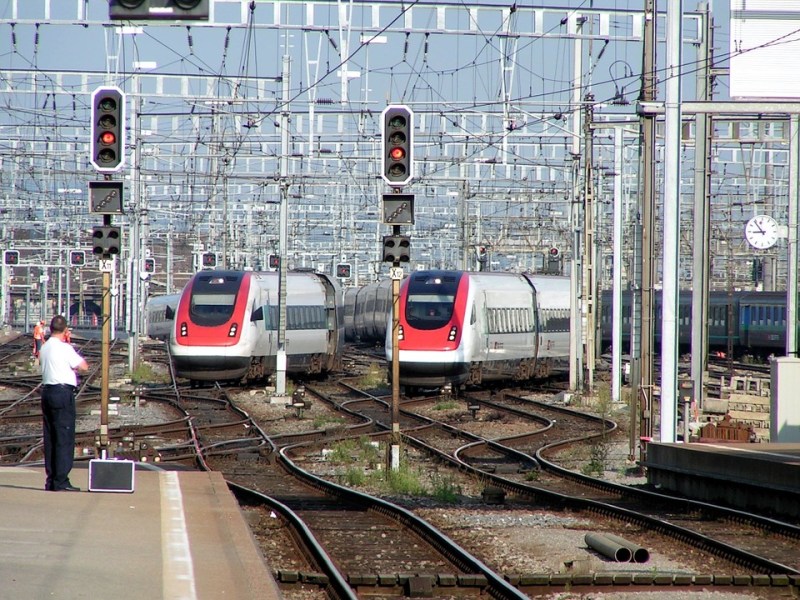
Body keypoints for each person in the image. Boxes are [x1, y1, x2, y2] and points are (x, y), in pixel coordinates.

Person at [39, 315, 89, 492]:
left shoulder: (44, 347)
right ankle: (61, 480)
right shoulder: (65, 348)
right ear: (66, 330)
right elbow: (84, 366)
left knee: (50, 437)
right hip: (62, 393)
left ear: (50, 329)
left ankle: (51, 479)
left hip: (47, 392)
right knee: (64, 437)